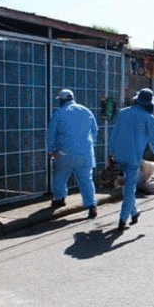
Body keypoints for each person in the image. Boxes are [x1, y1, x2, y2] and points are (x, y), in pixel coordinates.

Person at [108, 88, 154, 230]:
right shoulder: (149, 118)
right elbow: (153, 142)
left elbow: (114, 134)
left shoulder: (123, 113)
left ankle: (134, 212)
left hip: (119, 156)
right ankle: (123, 219)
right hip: (134, 158)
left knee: (126, 186)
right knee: (129, 189)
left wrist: (110, 153)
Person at [47, 89, 98, 218]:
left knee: (59, 174)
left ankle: (59, 198)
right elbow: (94, 131)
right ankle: (91, 205)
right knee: (86, 179)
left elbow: (51, 134)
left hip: (64, 151)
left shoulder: (59, 113)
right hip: (86, 152)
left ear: (62, 100)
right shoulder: (86, 111)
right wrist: (90, 146)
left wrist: (51, 151)